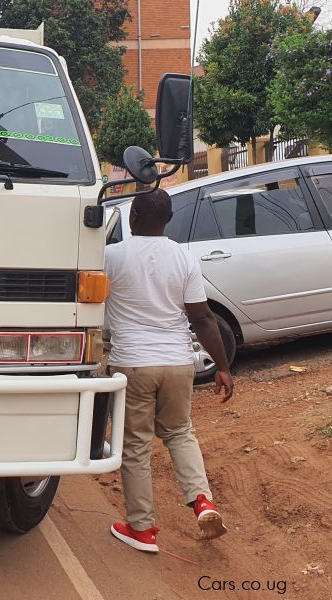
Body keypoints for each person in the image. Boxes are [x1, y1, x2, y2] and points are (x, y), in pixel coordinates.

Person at [104, 188, 234, 554]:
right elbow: (203, 318)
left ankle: (142, 529)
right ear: (169, 219)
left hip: (133, 362)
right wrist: (222, 367)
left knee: (136, 446)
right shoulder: (184, 257)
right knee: (180, 432)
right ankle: (202, 502)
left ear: (132, 217)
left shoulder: (110, 256)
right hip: (178, 362)